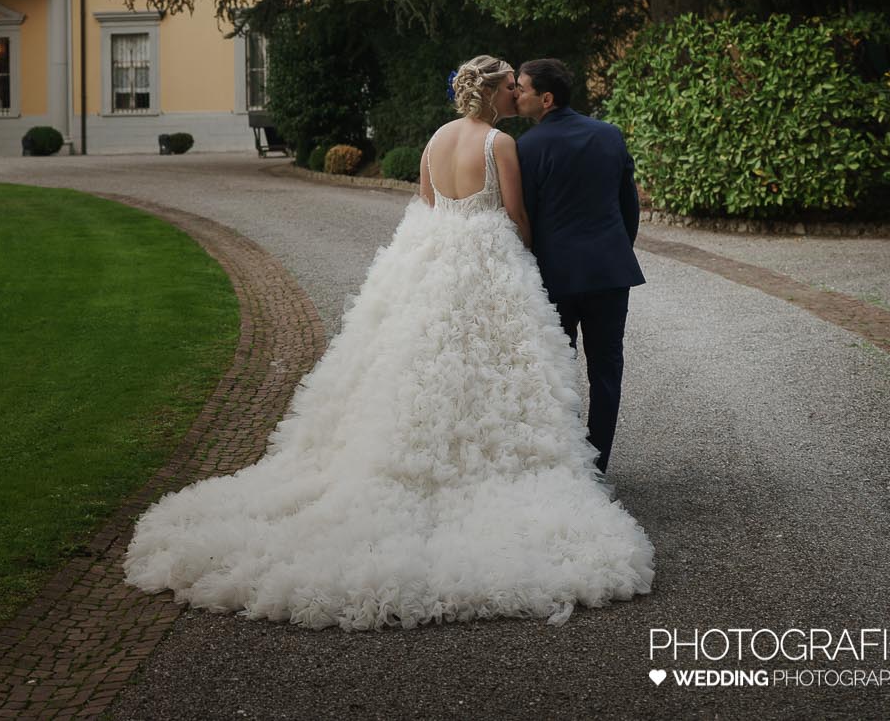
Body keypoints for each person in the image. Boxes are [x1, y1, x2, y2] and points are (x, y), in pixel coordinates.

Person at [123, 55, 654, 630]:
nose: (514, 95)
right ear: (493, 93)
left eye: (518, 87)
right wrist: (522, 256)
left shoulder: (436, 141)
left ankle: (422, 454)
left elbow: (427, 207)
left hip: (435, 262)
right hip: (502, 263)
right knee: (519, 366)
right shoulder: (503, 144)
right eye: (509, 87)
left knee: (425, 362)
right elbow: (518, 214)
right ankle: (548, 463)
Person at [514, 58, 645, 475]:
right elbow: (629, 206)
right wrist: (615, 249)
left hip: (556, 277)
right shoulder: (609, 134)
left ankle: (570, 463)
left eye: (522, 88)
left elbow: (525, 217)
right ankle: (598, 465)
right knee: (607, 371)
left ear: (546, 98)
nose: (516, 95)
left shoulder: (526, 147)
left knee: (559, 370)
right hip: (609, 272)